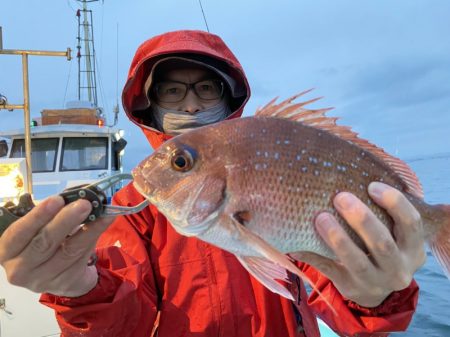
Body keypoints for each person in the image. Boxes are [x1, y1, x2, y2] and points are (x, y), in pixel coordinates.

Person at [0, 30, 425, 337]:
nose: (189, 102)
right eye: (172, 91)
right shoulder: (131, 208)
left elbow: (334, 293)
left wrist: (377, 297)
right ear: (149, 105)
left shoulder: (263, 160)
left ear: (228, 99)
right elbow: (126, 323)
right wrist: (78, 290)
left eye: (205, 88)